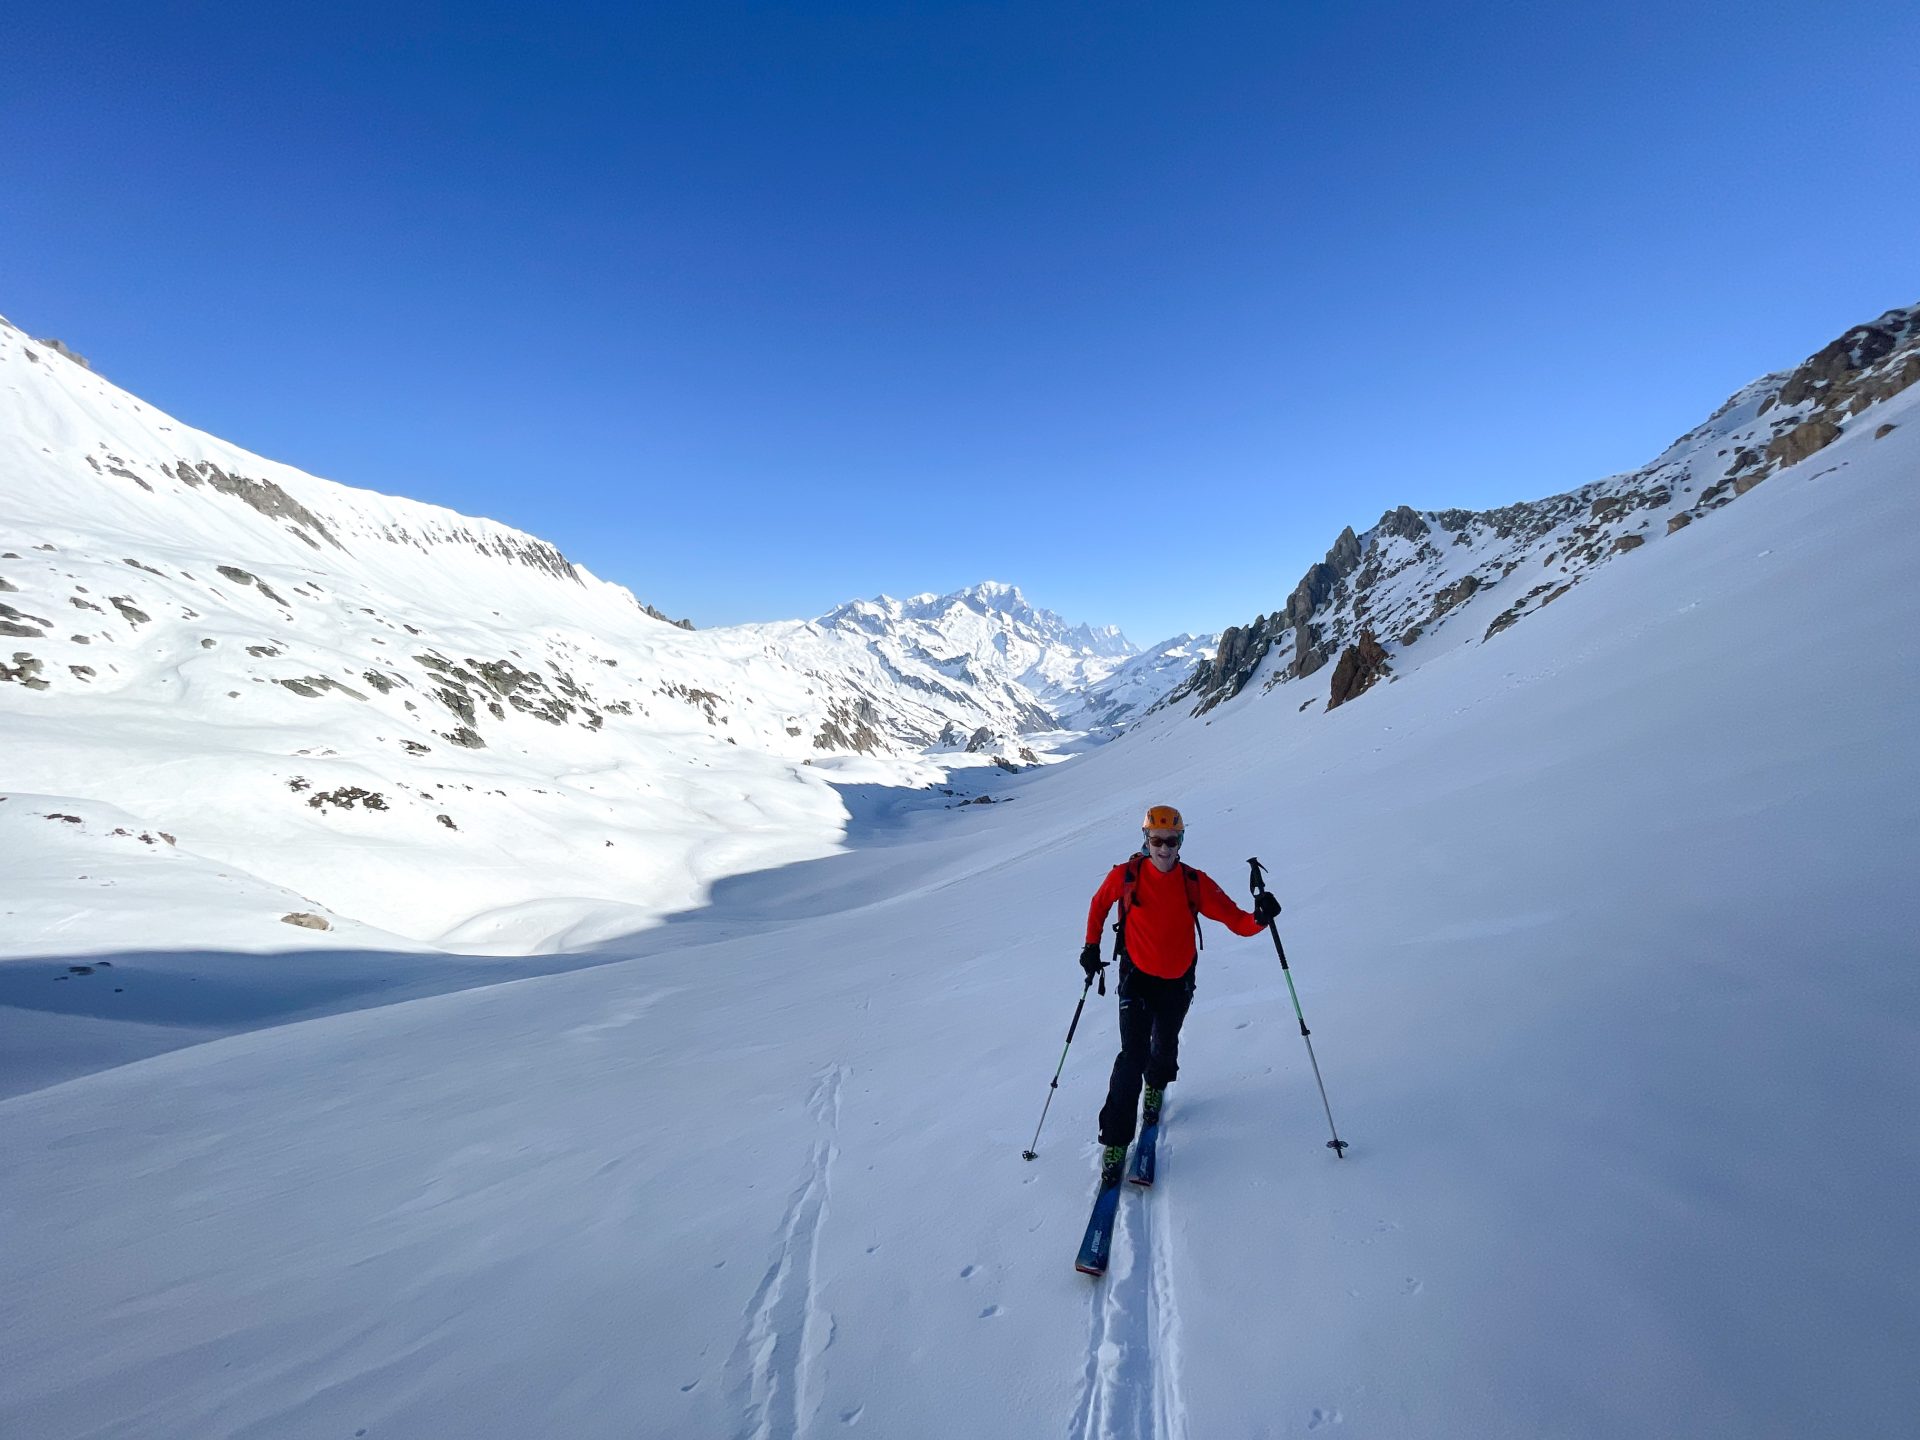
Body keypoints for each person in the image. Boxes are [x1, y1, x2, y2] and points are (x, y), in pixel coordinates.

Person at [1080, 804, 1280, 1183]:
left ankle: (1156, 1087)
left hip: (1178, 979)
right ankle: (1117, 1141)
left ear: (1181, 841)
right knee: (1131, 1058)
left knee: (1165, 1043)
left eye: (1171, 841)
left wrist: (1260, 918)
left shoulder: (1194, 882)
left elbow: (1236, 920)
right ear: (1146, 840)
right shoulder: (1126, 876)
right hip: (1136, 977)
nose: (1164, 848)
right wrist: (1091, 947)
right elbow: (1098, 904)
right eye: (1157, 840)